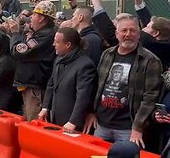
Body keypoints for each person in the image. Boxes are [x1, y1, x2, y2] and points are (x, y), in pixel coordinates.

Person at [87, 15, 163, 148]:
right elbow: (97, 85)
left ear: (139, 34)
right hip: (101, 125)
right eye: (124, 30)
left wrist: (138, 127)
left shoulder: (150, 60)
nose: (128, 34)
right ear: (117, 34)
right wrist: (91, 112)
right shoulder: (107, 54)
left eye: (133, 30)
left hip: (128, 129)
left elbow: (150, 97)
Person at [38, 28, 97, 133]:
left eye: (57, 42)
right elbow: (51, 84)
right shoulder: (59, 59)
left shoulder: (85, 65)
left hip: (72, 123)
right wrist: (45, 107)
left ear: (68, 45)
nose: (53, 44)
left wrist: (73, 121)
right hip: (55, 117)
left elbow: (83, 96)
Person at [6, 0, 57, 121]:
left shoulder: (45, 36)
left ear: (41, 18)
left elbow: (18, 52)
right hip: (32, 87)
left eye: (34, 14)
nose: (31, 18)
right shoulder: (41, 34)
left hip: (36, 90)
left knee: (34, 124)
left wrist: (15, 34)